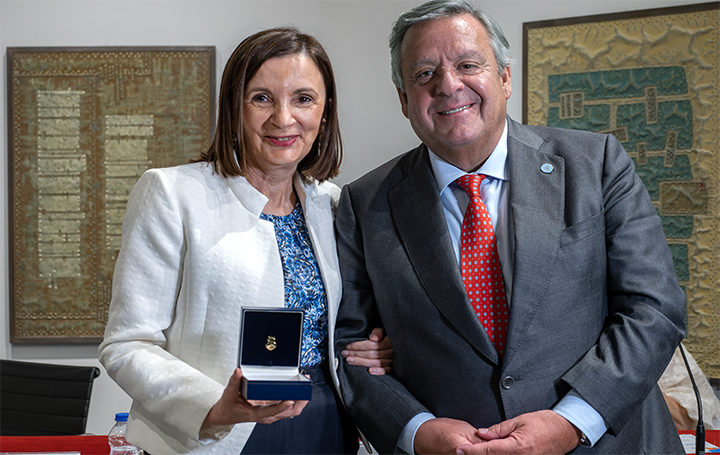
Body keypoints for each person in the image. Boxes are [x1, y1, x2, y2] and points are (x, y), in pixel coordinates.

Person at [334, 1, 687, 454]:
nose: (448, 85)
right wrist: (417, 431)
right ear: (404, 100)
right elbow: (350, 348)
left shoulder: (595, 164)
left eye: (468, 64)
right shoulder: (366, 203)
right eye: (424, 74)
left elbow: (654, 309)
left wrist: (572, 421)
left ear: (504, 77)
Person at [98, 27, 390, 455]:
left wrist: (380, 347)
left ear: (325, 113)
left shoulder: (335, 205)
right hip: (212, 432)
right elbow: (128, 343)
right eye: (262, 98)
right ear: (233, 107)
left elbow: (348, 327)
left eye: (303, 99)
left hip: (327, 426)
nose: (283, 118)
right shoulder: (172, 193)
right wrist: (214, 407)